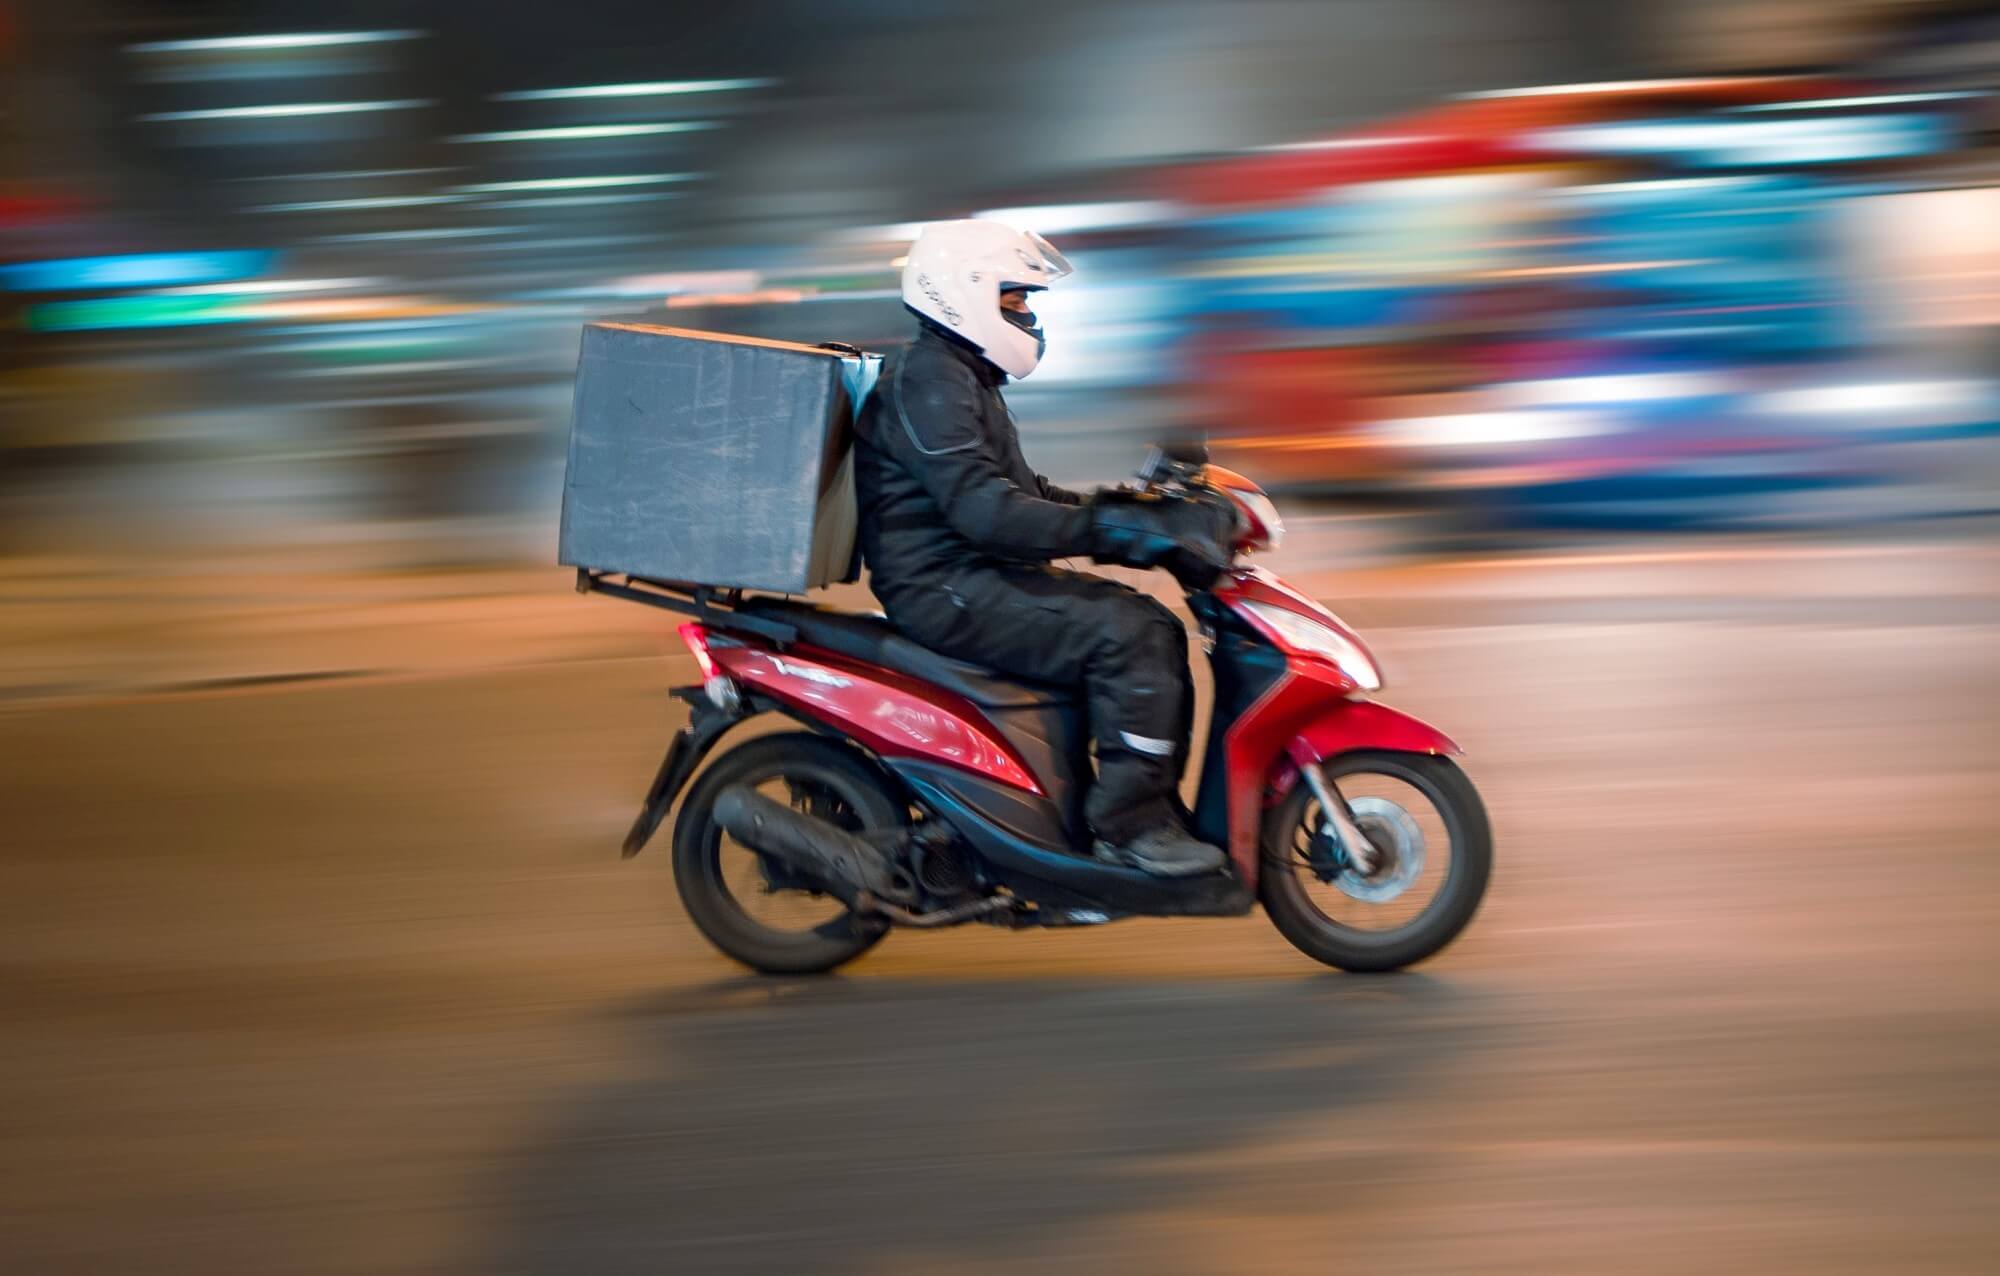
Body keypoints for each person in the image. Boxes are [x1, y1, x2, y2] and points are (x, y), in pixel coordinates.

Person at [852, 219, 1237, 877]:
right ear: (963, 292)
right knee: (1133, 632)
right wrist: (1114, 531)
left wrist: (1132, 514)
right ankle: (1128, 826)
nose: (1027, 315)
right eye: (1015, 299)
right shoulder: (932, 382)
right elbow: (989, 514)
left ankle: (1113, 807)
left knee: (1143, 626)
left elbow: (1026, 495)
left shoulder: (959, 377)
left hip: (967, 575)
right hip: (946, 586)